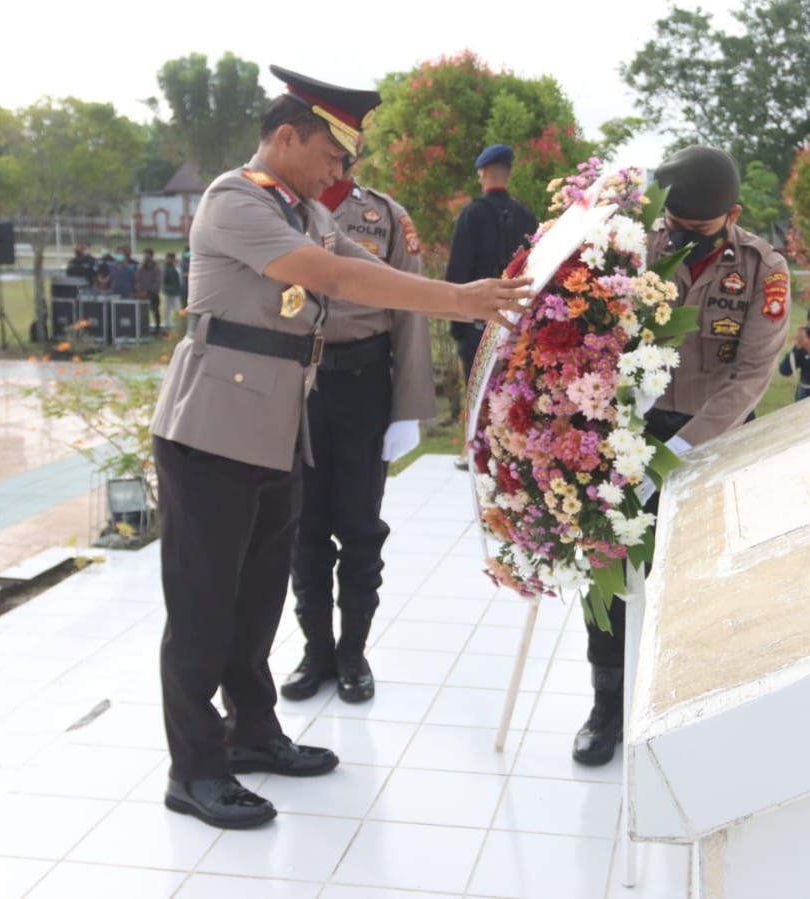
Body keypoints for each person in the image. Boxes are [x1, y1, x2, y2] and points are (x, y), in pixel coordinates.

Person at [149, 64, 530, 830]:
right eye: (333, 153)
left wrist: (452, 295)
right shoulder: (235, 199)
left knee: (256, 602)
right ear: (286, 136)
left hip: (279, 428)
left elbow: (356, 262)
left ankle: (252, 734)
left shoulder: (297, 207)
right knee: (202, 607)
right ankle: (194, 769)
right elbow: (329, 275)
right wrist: (456, 298)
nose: (342, 172)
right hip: (213, 430)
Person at [571, 145, 791, 767]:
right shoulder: (639, 251)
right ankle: (606, 706)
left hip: (715, 440)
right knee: (606, 574)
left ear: (732, 214)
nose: (682, 240)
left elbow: (750, 377)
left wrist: (680, 451)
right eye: (675, 227)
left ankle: (690, 706)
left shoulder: (762, 270)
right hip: (630, 434)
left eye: (697, 232)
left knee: (698, 578)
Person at [281, 157, 434, 705]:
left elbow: (412, 310)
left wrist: (408, 407)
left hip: (363, 383)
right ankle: (315, 649)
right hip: (295, 385)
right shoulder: (280, 210)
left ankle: (352, 652)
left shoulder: (386, 216)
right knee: (304, 525)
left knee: (360, 526)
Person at [446, 143, 539, 390]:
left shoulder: (472, 214)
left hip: (477, 326)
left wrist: (458, 330)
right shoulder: (527, 217)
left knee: (479, 408)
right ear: (508, 174)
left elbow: (458, 270)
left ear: (483, 172)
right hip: (516, 327)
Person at [135, 248, 163, 329]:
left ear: (151, 256)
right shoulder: (140, 268)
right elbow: (137, 280)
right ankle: (143, 328)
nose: (146, 257)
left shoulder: (157, 268)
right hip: (142, 295)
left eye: (147, 255)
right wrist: (140, 291)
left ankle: (157, 328)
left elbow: (158, 281)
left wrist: (149, 292)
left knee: (155, 311)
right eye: (144, 255)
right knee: (142, 313)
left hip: (153, 295)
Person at [162, 252, 184, 330]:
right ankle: (167, 325)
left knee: (177, 310)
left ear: (173, 259)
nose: (168, 260)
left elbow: (180, 281)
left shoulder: (177, 269)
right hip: (167, 293)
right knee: (166, 311)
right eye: (168, 258)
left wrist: (179, 291)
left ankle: (178, 326)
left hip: (175, 293)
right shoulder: (165, 269)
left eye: (170, 259)